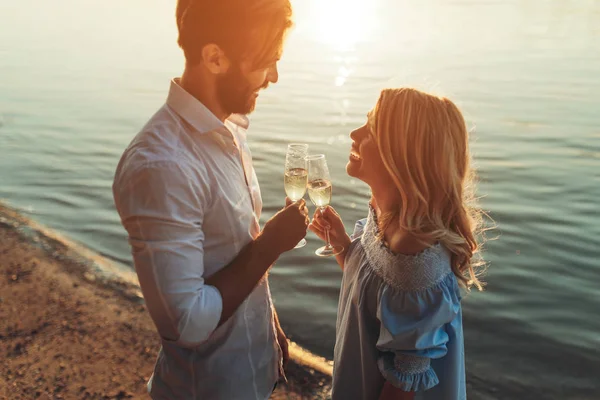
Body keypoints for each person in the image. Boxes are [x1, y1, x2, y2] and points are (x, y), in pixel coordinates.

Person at [112, 0, 305, 398]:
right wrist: (271, 245)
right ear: (214, 57)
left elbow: (230, 251)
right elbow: (187, 323)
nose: (274, 76)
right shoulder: (162, 165)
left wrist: (269, 328)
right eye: (267, 60)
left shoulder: (229, 130)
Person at [309, 88, 486, 400]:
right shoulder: (385, 212)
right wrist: (342, 245)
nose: (355, 133)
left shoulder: (412, 251)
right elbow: (372, 295)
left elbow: (404, 383)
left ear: (402, 155)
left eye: (372, 128)